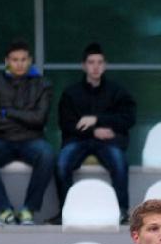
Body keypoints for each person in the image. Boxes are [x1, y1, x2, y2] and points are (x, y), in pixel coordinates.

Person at [55, 42, 136, 224]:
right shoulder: (71, 93)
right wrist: (94, 131)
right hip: (78, 140)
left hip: (108, 142)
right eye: (91, 62)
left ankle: (122, 211)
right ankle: (66, 211)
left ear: (105, 65)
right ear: (84, 66)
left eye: (100, 62)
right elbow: (65, 124)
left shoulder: (117, 92)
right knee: (61, 164)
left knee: (120, 162)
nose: (96, 67)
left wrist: (97, 119)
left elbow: (128, 119)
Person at [0, 40, 54, 226]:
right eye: (15, 60)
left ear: (30, 60)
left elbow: (39, 119)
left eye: (24, 59)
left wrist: (7, 113)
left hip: (32, 140)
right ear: (6, 61)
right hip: (1, 140)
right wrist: (25, 118)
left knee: (47, 155)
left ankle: (28, 210)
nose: (19, 64)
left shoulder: (43, 84)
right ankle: (5, 210)